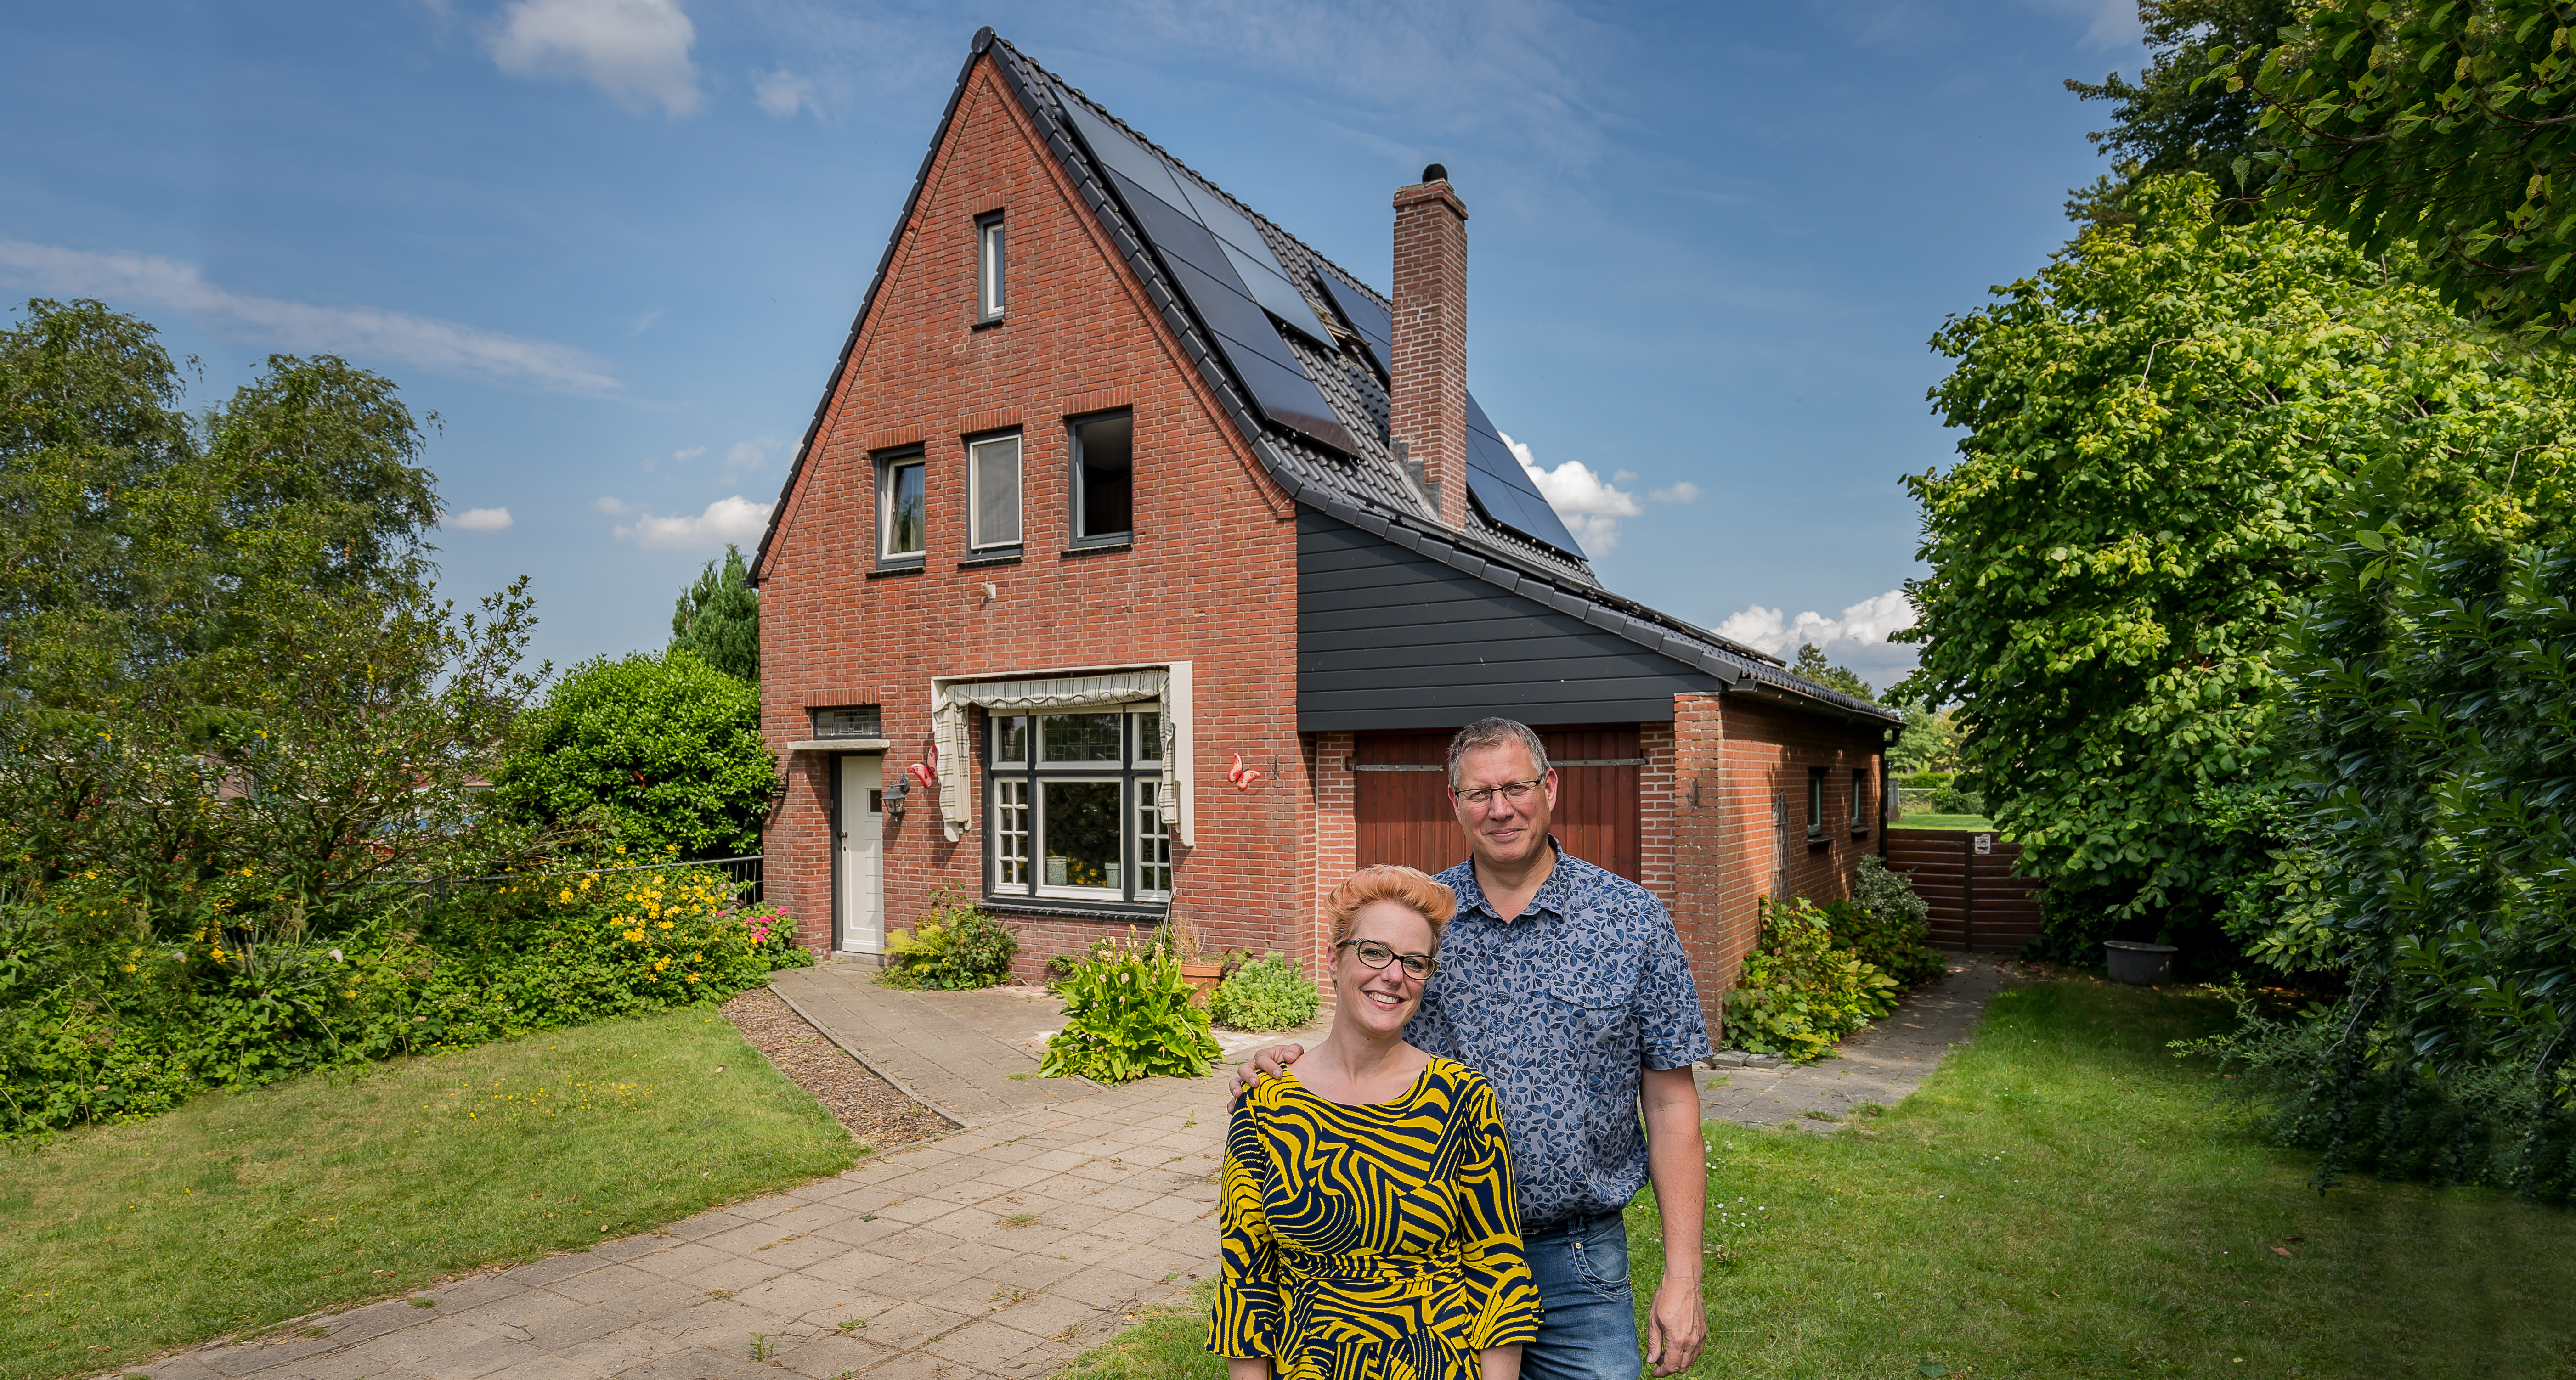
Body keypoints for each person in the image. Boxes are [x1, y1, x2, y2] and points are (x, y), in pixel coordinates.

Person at [1238, 718, 1712, 1380]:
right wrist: (1290, 1064)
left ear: (1550, 787)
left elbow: (1670, 1104)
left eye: (1515, 787)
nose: (1500, 808)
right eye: (1478, 793)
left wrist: (1683, 1274)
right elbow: (1367, 1026)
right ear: (1453, 801)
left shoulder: (1630, 919)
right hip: (1433, 1265)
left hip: (1576, 1258)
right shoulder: (1424, 922)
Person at [1208, 865, 1541, 1380]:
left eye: (1414, 961)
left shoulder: (1463, 1100)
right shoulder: (1266, 1102)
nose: (1393, 974)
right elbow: (1246, 1276)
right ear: (1333, 959)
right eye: (1374, 951)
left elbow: (1497, 1268)